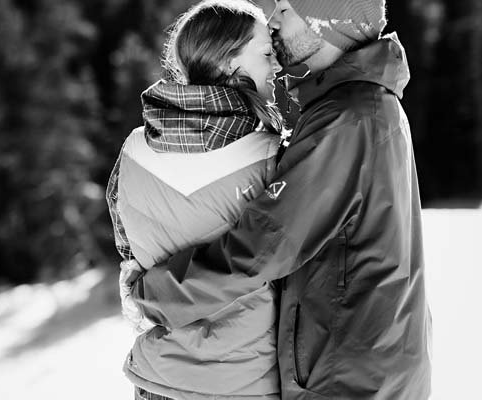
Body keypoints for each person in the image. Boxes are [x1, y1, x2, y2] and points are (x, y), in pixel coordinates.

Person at [131, 0, 433, 399]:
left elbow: (265, 244)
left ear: (327, 24)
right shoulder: (363, 105)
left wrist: (152, 294)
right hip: (363, 364)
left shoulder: (348, 116)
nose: (273, 21)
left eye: (287, 11)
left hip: (348, 375)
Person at [106, 0, 287, 398]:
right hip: (243, 382)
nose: (276, 67)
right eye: (267, 54)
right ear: (227, 63)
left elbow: (126, 249)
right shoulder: (272, 158)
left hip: (160, 378)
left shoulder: (132, 152)